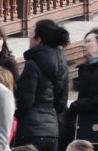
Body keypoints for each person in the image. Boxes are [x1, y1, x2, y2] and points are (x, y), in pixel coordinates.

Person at [14, 19, 71, 151]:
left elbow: (25, 101)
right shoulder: (63, 65)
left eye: (31, 32)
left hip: (30, 130)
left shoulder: (32, 64)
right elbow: (61, 104)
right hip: (51, 130)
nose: (28, 37)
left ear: (38, 39)